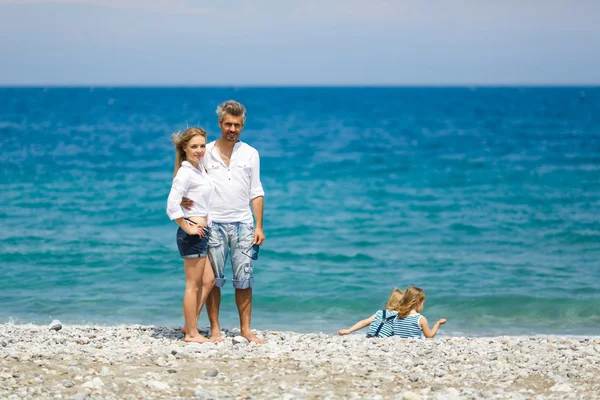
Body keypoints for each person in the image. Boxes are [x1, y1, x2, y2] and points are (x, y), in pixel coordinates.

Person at [182, 100, 265, 344]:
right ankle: (214, 329)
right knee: (213, 282)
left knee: (244, 280)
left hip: (244, 224)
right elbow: (187, 175)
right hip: (213, 224)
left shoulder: (251, 153)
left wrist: (259, 226)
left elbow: (256, 191)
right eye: (228, 124)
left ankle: (245, 330)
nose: (232, 129)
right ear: (220, 123)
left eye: (237, 125)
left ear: (243, 125)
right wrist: (184, 202)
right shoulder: (204, 151)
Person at [166, 127, 216, 344]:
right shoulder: (186, 172)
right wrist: (187, 227)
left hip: (202, 231)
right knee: (192, 285)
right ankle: (192, 334)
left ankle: (191, 325)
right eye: (194, 146)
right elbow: (171, 204)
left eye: (202, 146)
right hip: (192, 234)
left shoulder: (198, 169)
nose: (199, 150)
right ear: (184, 148)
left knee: (209, 279)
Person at [338, 288, 404, 337]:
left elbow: (364, 322)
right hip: (383, 339)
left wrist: (349, 330)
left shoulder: (380, 313)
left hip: (369, 336)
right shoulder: (398, 316)